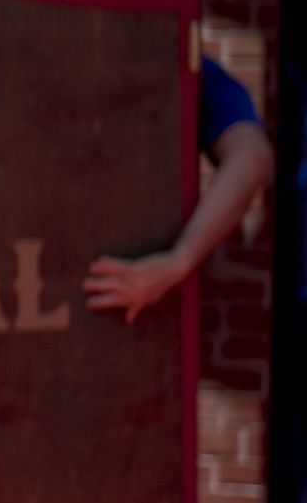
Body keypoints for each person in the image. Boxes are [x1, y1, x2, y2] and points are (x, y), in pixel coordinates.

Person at [84, 55, 274, 322]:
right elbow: (252, 154)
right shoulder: (172, 52)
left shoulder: (181, 56)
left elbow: (251, 155)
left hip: (134, 303)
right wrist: (179, 259)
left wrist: (179, 260)